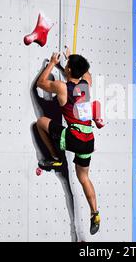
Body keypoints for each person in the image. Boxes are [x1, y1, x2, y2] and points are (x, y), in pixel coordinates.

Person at [36, 52, 100, 235]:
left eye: (67, 64)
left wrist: (53, 64)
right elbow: (87, 73)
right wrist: (73, 58)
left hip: (74, 137)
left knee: (41, 123)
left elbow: (40, 84)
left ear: (69, 69)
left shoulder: (62, 87)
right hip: (89, 139)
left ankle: (56, 157)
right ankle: (95, 213)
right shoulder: (86, 84)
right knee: (84, 178)